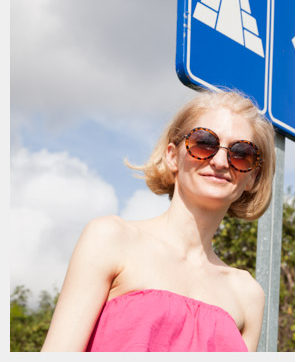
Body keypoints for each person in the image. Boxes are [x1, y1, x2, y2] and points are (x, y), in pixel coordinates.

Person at [41, 89, 276, 352]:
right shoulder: (111, 239)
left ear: (253, 178)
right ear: (172, 156)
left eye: (241, 153)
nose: (221, 161)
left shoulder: (248, 294)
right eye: (205, 143)